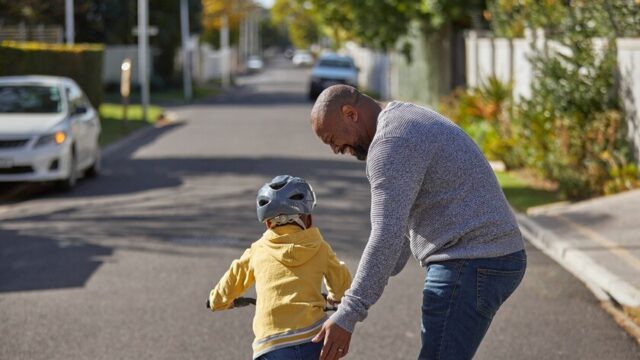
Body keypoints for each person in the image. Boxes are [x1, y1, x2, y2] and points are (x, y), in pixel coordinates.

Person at [309, 85, 526, 360]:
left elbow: (385, 234)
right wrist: (355, 294)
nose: (336, 149)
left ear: (350, 113)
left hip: (472, 260)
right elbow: (398, 235)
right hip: (487, 257)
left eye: (331, 139)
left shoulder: (391, 143)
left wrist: (348, 313)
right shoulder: (402, 119)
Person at [207, 175, 352, 360]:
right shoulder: (320, 247)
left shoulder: (257, 250)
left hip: (272, 346)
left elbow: (234, 276)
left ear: (268, 223)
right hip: (314, 339)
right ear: (307, 219)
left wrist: (218, 301)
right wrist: (336, 297)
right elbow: (341, 281)